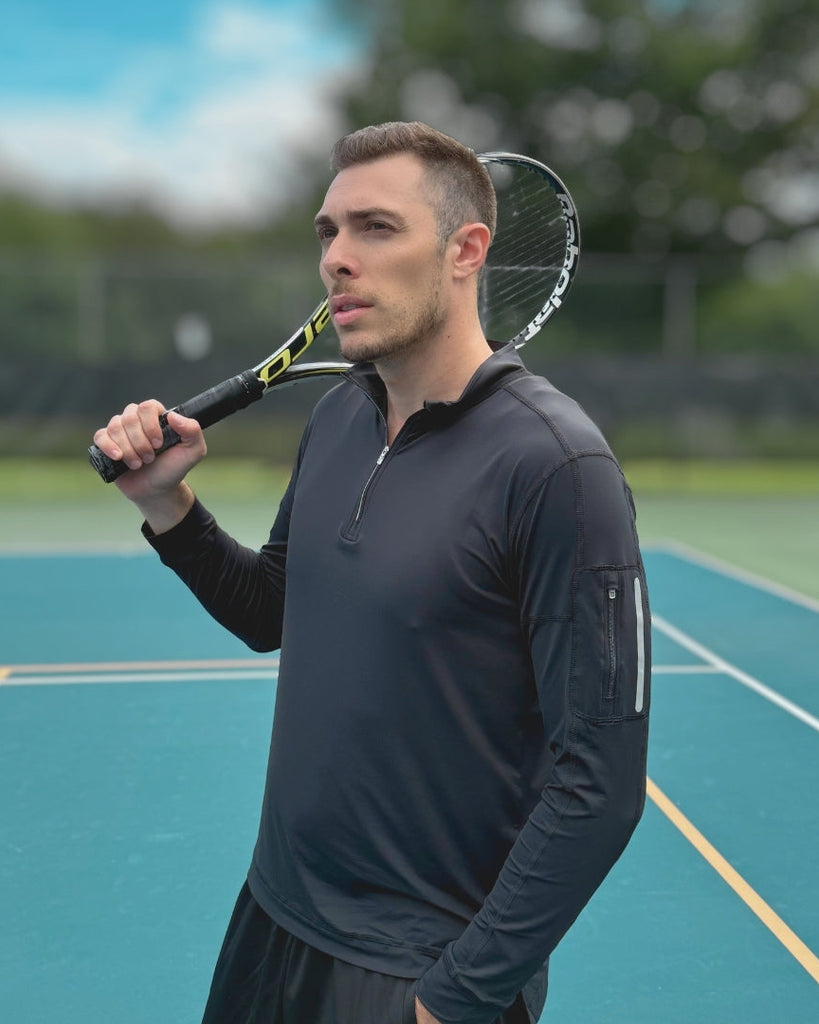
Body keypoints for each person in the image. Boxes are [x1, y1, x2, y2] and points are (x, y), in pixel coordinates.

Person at [93, 121, 651, 1024]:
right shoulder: (341, 419)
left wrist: (455, 998)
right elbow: (272, 611)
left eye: (376, 228)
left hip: (415, 974)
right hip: (273, 918)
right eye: (328, 232)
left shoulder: (556, 467)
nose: (338, 260)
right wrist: (168, 506)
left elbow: (600, 782)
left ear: (467, 250)